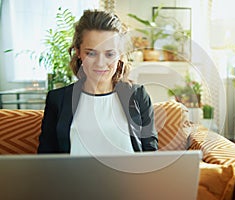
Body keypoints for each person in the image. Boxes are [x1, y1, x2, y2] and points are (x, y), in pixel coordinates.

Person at [38, 10, 158, 155]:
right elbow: (46, 159)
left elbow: (150, 154)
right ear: (78, 52)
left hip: (129, 177)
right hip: (73, 178)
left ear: (120, 55)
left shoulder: (138, 95)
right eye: (91, 53)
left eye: (110, 54)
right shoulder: (57, 99)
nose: (100, 63)